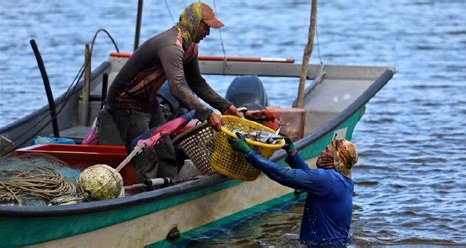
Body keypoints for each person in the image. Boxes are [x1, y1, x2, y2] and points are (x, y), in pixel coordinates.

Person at [106, 2, 239, 182]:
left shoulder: (190, 46)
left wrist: (225, 106)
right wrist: (207, 113)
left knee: (166, 153)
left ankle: (170, 194)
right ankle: (147, 202)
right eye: (206, 27)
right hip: (126, 102)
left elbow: (196, 82)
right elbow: (177, 88)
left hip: (148, 101)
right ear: (193, 22)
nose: (208, 33)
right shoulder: (172, 46)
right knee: (146, 158)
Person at [229, 134, 358, 246]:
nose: (322, 153)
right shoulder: (345, 181)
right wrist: (292, 152)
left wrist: (249, 153)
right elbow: (310, 177)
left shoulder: (326, 179)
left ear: (336, 157)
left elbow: (282, 175)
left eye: (326, 150)